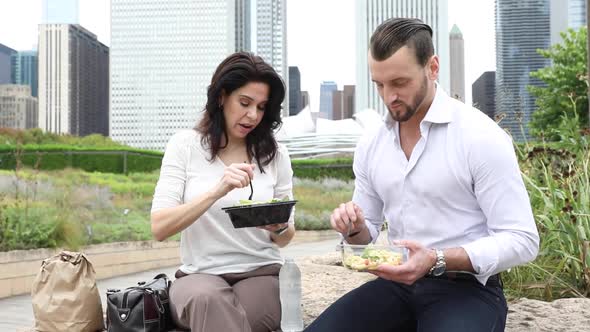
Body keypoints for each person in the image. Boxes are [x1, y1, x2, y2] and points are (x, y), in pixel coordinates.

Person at [305, 18, 539, 332]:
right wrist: (354, 228)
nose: (389, 96)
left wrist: (437, 258)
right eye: (379, 84)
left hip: (468, 291)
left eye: (400, 82)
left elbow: (522, 240)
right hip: (396, 288)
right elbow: (366, 236)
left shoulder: (481, 137)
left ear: (432, 68)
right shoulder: (371, 144)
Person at [151, 52, 295, 332]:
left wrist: (278, 227)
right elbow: (159, 227)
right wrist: (216, 191)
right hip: (198, 276)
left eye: (262, 107)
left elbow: (287, 237)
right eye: (244, 103)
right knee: (208, 301)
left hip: (261, 272)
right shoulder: (184, 146)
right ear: (221, 97)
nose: (253, 115)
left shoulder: (276, 155)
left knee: (254, 315)